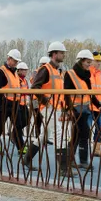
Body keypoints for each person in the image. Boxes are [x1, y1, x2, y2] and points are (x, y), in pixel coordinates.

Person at [25, 42, 68, 173]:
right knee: (59, 134)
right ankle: (64, 168)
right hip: (48, 107)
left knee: (44, 135)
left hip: (56, 107)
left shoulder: (57, 71)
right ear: (54, 54)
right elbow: (35, 88)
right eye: (61, 53)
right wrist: (45, 101)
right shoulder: (45, 69)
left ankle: (27, 159)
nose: (63, 55)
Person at [64, 49, 101, 170]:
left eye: (90, 62)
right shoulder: (70, 74)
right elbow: (65, 94)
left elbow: (89, 93)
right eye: (87, 62)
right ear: (80, 61)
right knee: (84, 133)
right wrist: (68, 109)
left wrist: (98, 103)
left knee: (76, 136)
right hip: (75, 110)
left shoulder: (86, 75)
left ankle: (71, 160)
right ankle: (83, 161)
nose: (89, 65)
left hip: (85, 109)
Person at [0, 48, 23, 155]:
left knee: (18, 126)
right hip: (4, 103)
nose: (16, 63)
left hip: (15, 103)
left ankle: (21, 147)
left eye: (17, 62)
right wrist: (3, 100)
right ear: (9, 59)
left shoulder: (15, 73)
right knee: (0, 126)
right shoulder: (1, 71)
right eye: (14, 61)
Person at [90, 50, 101, 158]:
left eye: (100, 61)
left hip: (98, 106)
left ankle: (97, 150)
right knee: (84, 129)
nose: (99, 63)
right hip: (88, 106)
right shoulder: (88, 73)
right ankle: (76, 148)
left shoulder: (99, 74)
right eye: (97, 61)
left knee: (99, 129)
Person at [15, 61, 31, 152]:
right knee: (19, 124)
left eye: (26, 70)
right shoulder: (17, 79)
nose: (25, 72)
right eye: (24, 70)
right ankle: (20, 144)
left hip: (24, 104)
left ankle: (14, 133)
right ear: (19, 70)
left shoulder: (25, 80)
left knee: (27, 120)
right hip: (18, 104)